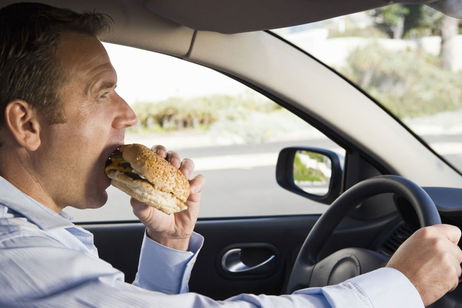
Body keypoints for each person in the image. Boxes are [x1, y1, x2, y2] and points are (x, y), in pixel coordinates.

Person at [0, 2, 460, 307]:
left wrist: (168, 244)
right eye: (103, 94)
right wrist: (399, 286)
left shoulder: (39, 237)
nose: (129, 114)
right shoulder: (16, 252)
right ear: (27, 124)